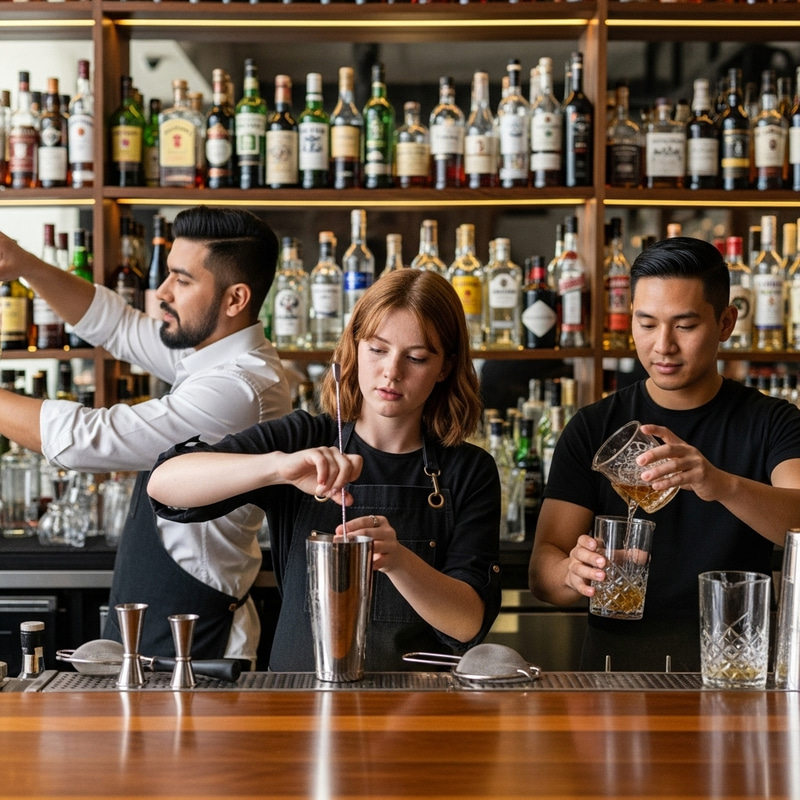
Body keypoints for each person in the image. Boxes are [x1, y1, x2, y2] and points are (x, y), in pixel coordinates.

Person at [147, 269, 502, 672]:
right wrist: (277, 468)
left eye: (416, 357)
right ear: (354, 347)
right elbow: (165, 484)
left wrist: (399, 560)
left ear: (444, 367)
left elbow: (467, 623)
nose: (392, 372)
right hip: (299, 695)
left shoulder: (469, 471)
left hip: (415, 705)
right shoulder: (304, 437)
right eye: (377, 350)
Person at [0, 206, 292, 665]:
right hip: (161, 622)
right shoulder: (210, 356)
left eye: (182, 279)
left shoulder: (238, 388)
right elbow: (116, 325)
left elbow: (84, 438)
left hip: (198, 639)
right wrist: (24, 265)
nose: (161, 293)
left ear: (235, 299)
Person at [529, 236, 800, 672]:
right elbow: (543, 571)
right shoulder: (594, 426)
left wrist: (719, 484)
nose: (662, 345)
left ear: (726, 323)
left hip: (734, 667)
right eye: (647, 323)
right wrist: (572, 573)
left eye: (685, 326)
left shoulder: (772, 422)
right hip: (613, 668)